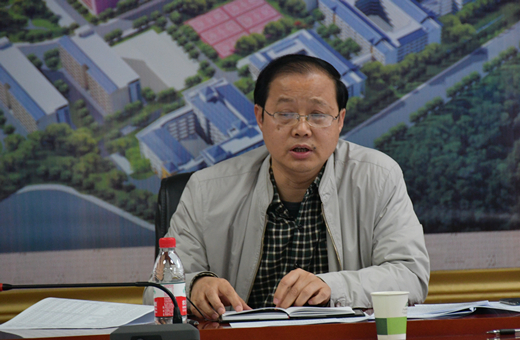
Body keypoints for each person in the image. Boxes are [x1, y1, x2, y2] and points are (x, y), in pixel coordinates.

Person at [144, 54, 429, 320]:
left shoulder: (378, 177)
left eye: (317, 114)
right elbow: (156, 291)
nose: (302, 129)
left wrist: (332, 287)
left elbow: (410, 275)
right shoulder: (206, 190)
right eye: (285, 113)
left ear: (340, 120)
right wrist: (195, 286)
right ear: (260, 117)